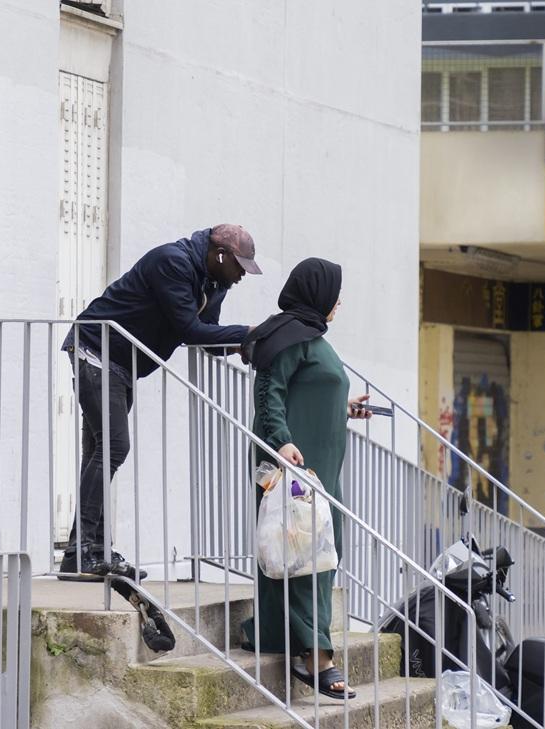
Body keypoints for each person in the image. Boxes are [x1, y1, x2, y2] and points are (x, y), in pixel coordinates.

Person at [58, 224, 261, 581]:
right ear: (220, 254)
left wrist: (241, 346)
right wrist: (248, 333)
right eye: (240, 266)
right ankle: (83, 551)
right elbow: (189, 330)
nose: (243, 275)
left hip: (122, 364)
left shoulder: (215, 282)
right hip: (95, 348)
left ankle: (91, 550)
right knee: (113, 447)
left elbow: (207, 338)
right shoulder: (173, 262)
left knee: (101, 452)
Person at [239, 257, 370, 700]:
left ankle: (272, 634)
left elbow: (307, 388)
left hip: (319, 466)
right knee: (305, 553)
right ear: (317, 293)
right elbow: (268, 390)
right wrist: (280, 441)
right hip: (293, 463)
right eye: (334, 292)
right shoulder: (292, 334)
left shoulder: (311, 337)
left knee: (310, 552)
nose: (339, 301)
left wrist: (345, 406)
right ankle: (319, 659)